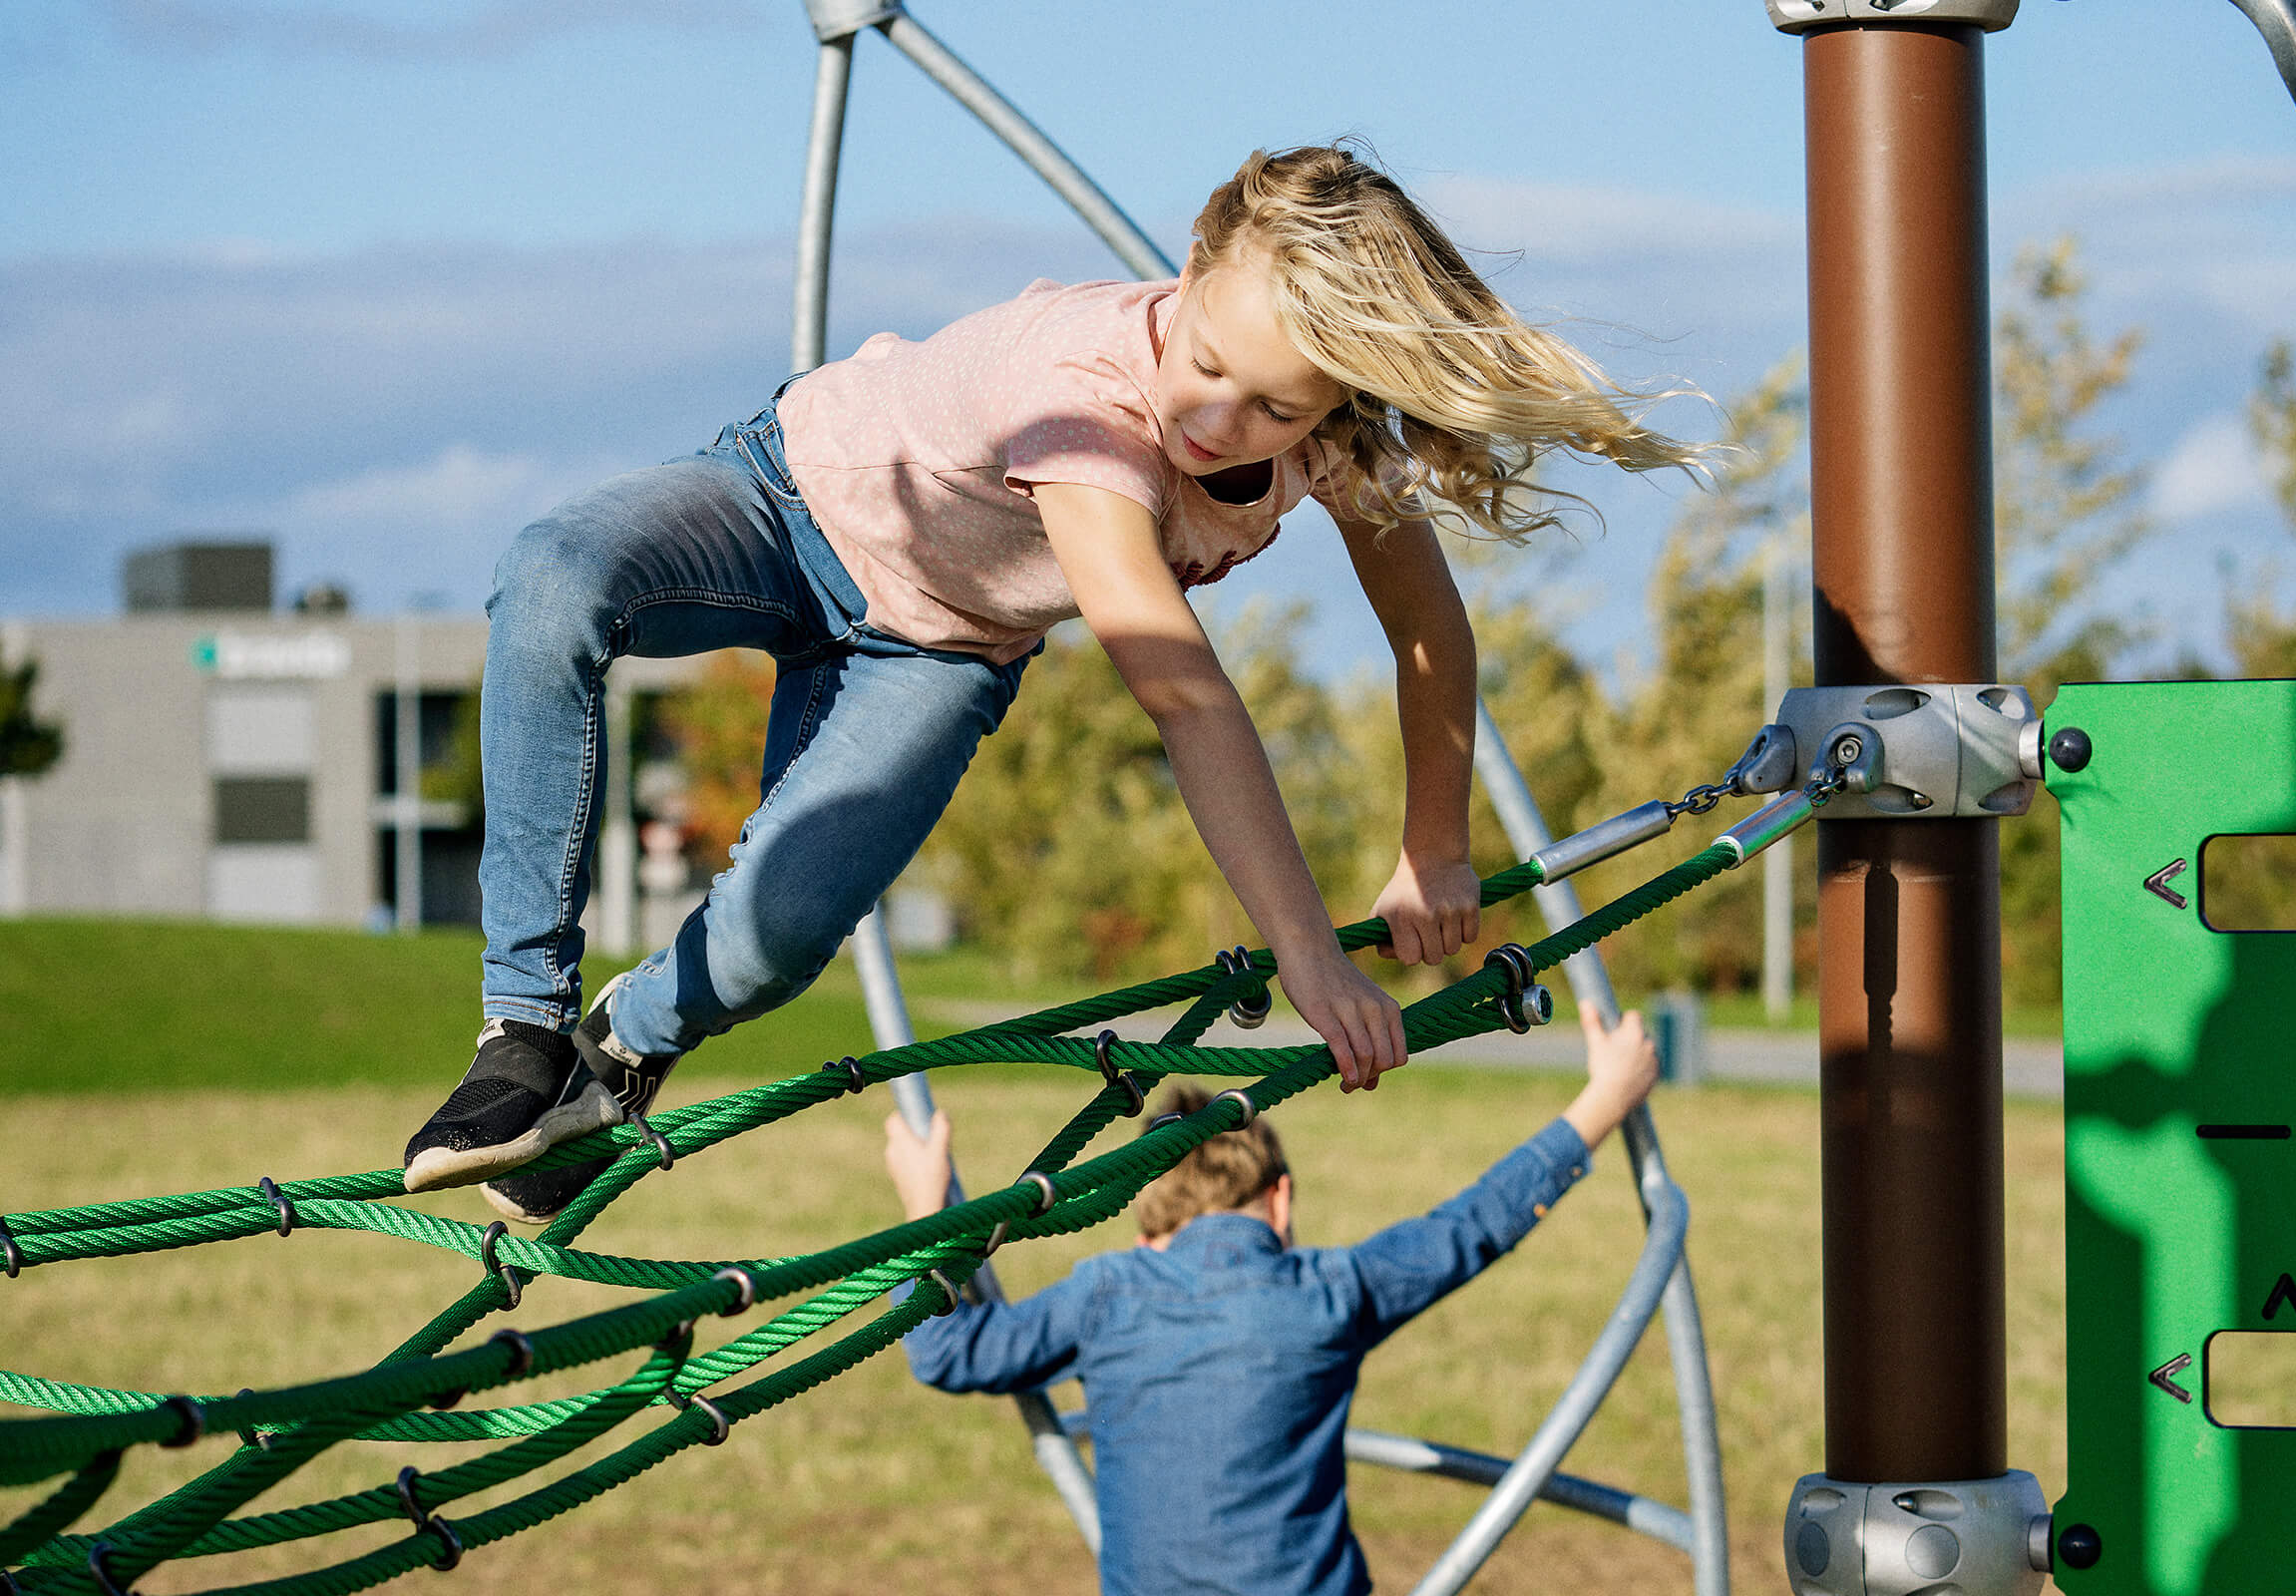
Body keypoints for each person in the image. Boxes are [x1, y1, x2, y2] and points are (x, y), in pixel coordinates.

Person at [400, 142, 1704, 1216]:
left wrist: (1435, 845)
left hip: (939, 646)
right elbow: (1183, 692)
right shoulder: (1086, 400)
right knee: (559, 577)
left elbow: (1429, 630)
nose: (1215, 420)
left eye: (1270, 408)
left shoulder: (1342, 451)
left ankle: (617, 1057)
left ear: (1333, 404)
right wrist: (1306, 953)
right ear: (1191, 272)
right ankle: (524, 1024)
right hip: (790, 497)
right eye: (1205, 365)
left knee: (776, 937)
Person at [884, 1006, 1663, 1596]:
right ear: (1280, 1199)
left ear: (1148, 1219)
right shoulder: (1329, 1293)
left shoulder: (1105, 1295)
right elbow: (1469, 1228)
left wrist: (926, 1213)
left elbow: (948, 1353)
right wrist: (1602, 1101)